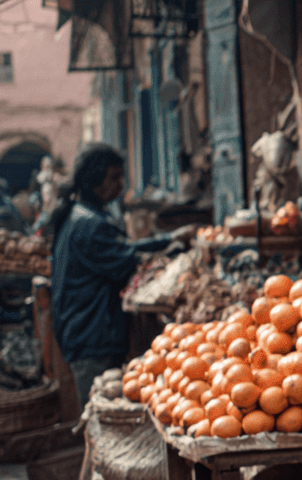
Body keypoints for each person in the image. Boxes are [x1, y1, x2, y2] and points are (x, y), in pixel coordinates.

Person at [47, 143, 195, 407]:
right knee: (101, 411)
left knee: (102, 407)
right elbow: (125, 260)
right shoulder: (88, 224)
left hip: (82, 329)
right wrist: (169, 247)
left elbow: (122, 250)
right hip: (90, 333)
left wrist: (166, 241)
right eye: (114, 177)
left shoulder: (82, 215)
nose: (120, 184)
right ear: (95, 180)